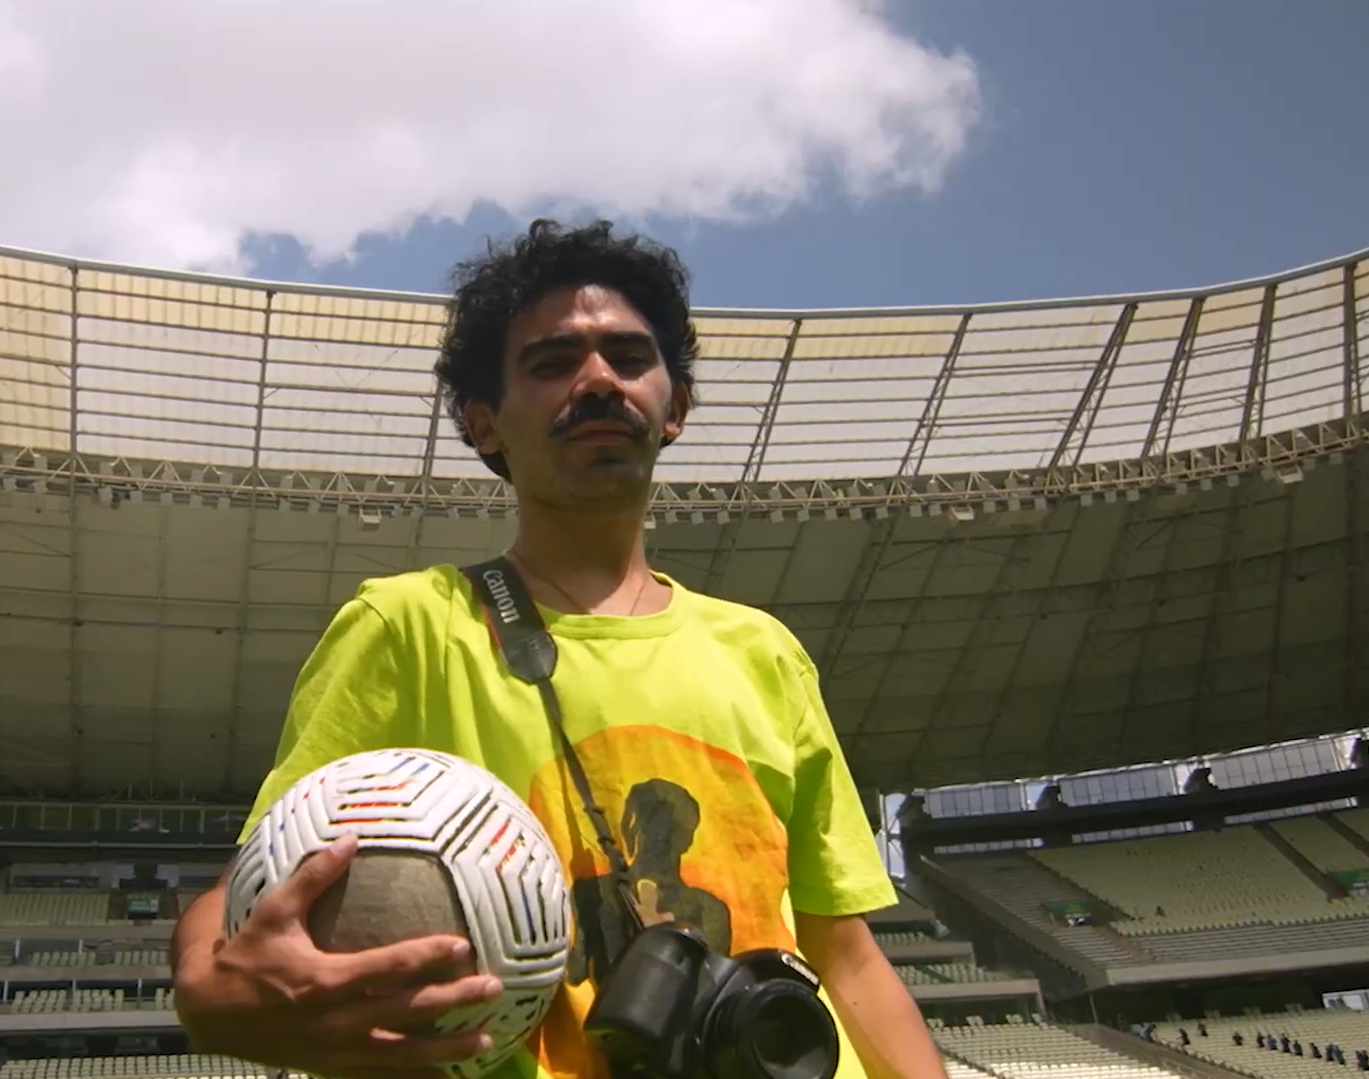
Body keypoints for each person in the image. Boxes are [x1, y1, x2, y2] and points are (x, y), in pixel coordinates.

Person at [170, 220, 945, 1079]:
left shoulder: (762, 650)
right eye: (551, 363)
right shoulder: (408, 626)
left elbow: (847, 955)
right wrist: (205, 985)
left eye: (628, 355)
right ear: (483, 423)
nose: (599, 379)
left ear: (675, 406)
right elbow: (257, 878)